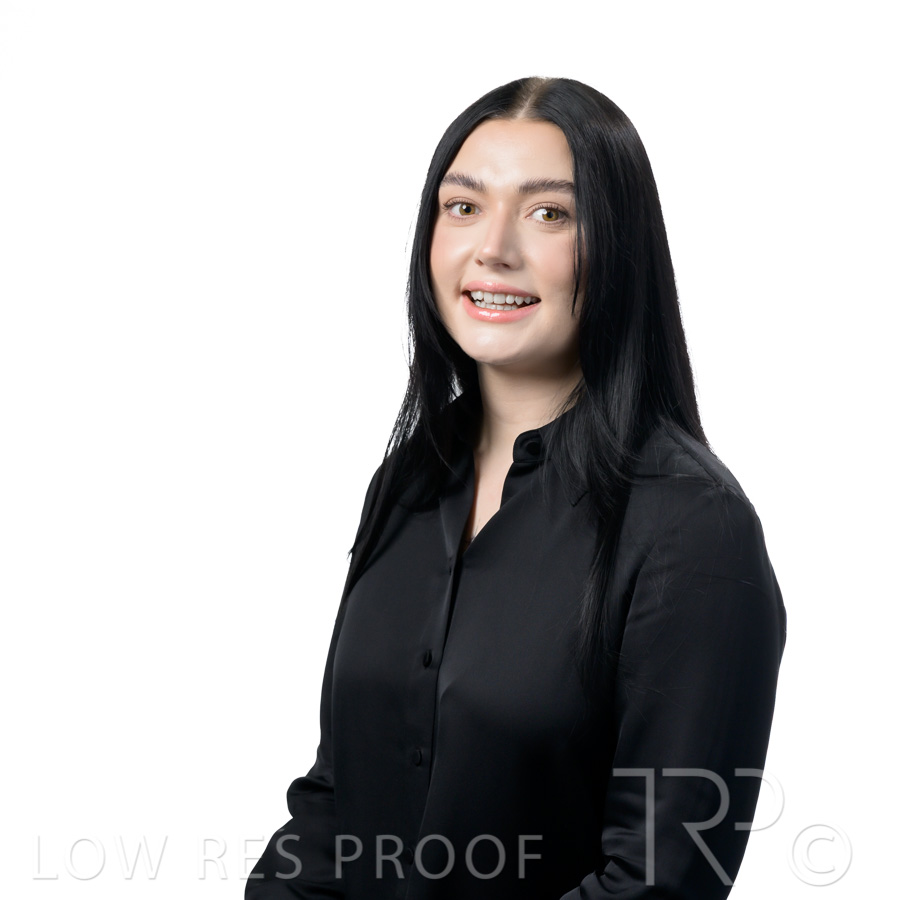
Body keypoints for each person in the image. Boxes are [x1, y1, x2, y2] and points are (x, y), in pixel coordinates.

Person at [246, 76, 787, 900]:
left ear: (619, 245)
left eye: (549, 214)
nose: (493, 248)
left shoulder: (692, 528)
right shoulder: (408, 480)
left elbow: (658, 881)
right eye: (463, 207)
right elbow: (335, 802)